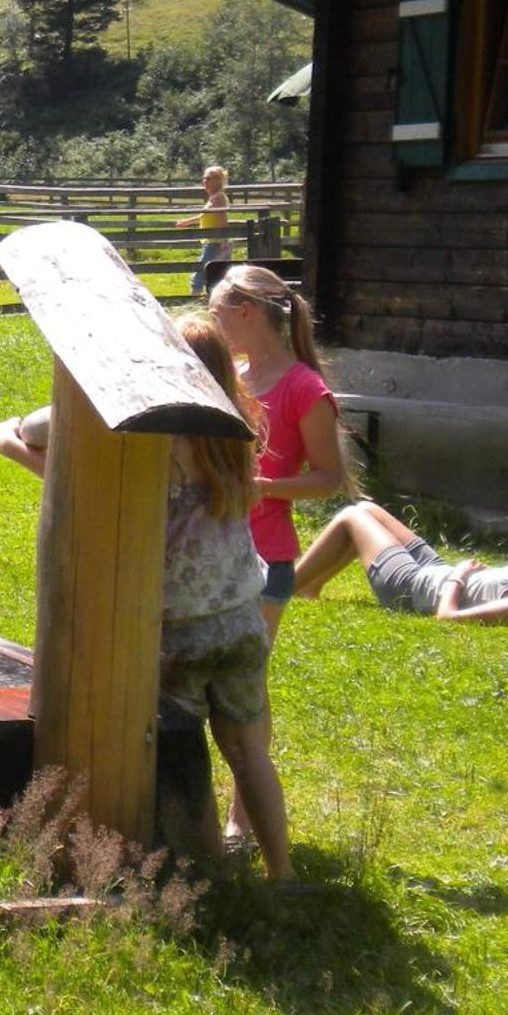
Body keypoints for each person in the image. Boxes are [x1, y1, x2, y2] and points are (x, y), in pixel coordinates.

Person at [0, 315, 293, 880]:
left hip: (174, 627)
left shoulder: (155, 428)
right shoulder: (234, 431)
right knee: (249, 751)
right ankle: (283, 876)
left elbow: (38, 429)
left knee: (173, 747)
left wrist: (9, 441)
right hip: (240, 620)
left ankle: (201, 870)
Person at [207, 263, 344, 845]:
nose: (211, 324)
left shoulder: (305, 389)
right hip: (214, 552)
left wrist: (264, 488)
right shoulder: (230, 373)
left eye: (215, 312)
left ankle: (243, 819)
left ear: (245, 313)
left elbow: (330, 477)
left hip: (268, 561)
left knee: (244, 691)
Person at [293, 501, 508, 622]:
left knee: (351, 516)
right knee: (367, 509)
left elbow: (447, 616)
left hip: (412, 587)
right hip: (435, 569)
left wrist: (460, 575)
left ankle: (281, 588)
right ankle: (310, 587)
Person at [184, 165, 232, 296]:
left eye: (209, 179)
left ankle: (194, 298)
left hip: (216, 241)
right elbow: (203, 216)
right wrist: (187, 222)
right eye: (204, 178)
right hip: (212, 240)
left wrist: (224, 239)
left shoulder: (219, 198)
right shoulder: (213, 198)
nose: (205, 181)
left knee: (201, 270)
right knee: (219, 273)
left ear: (218, 181)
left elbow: (222, 217)